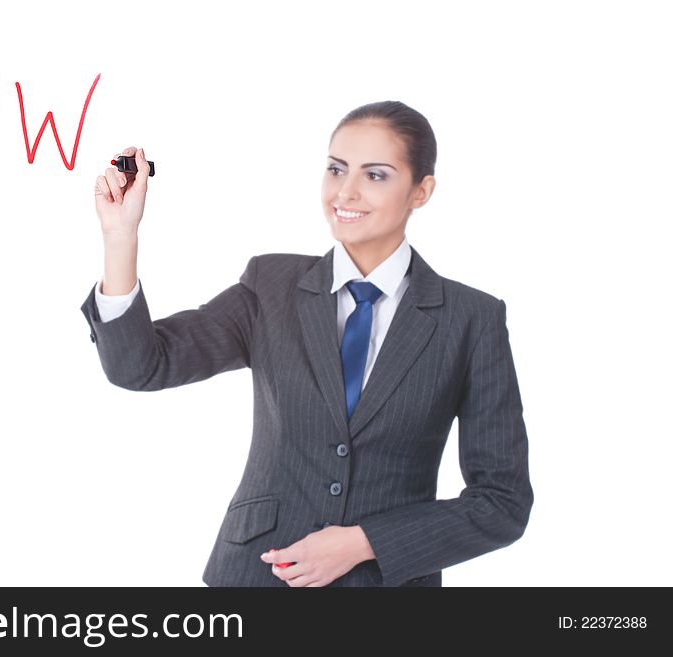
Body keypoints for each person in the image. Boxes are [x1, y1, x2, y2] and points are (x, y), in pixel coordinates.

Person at [81, 101, 533, 587]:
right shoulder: (270, 285)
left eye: (375, 175)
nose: (346, 192)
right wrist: (120, 237)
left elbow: (502, 502)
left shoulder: (471, 319)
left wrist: (364, 541)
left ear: (421, 191)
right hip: (254, 576)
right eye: (336, 169)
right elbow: (142, 366)